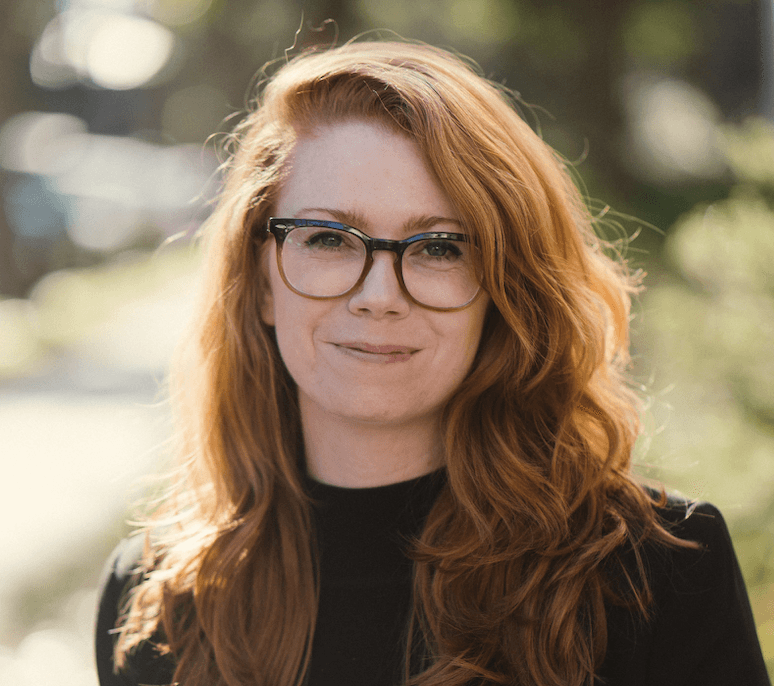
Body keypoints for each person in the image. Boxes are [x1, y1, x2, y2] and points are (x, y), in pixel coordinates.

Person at [94, 40, 770, 686]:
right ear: (262, 279)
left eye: (439, 247)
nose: (379, 296)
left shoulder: (657, 574)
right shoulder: (156, 602)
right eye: (327, 237)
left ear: (505, 289)